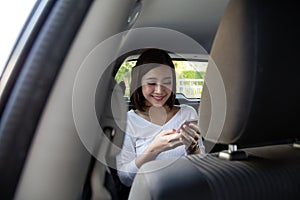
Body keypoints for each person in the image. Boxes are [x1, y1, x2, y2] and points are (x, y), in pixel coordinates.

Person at [116, 48, 205, 187]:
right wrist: (153, 150)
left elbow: (202, 170)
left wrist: (192, 147)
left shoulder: (188, 114)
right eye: (151, 83)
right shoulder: (128, 121)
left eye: (167, 82)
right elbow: (125, 179)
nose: (159, 90)